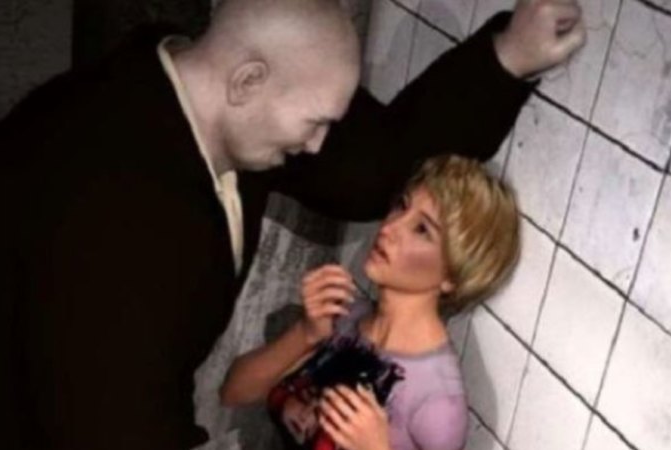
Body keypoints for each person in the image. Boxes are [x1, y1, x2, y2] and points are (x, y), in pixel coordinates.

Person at [0, 0, 585, 448]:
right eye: (314, 123)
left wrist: (510, 54)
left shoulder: (191, 80)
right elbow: (118, 425)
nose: (316, 147)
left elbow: (371, 164)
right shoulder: (114, 222)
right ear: (248, 81)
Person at [220, 155, 521, 450]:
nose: (390, 228)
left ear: (453, 277)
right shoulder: (348, 315)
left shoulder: (437, 403)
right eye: (402, 205)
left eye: (422, 229)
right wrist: (306, 332)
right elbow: (233, 392)